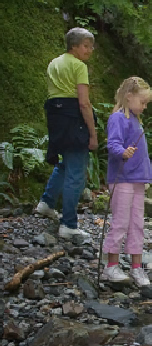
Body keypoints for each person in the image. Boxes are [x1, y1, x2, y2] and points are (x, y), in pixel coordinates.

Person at [35, 28, 98, 243]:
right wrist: (93, 133)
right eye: (85, 46)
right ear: (74, 46)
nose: (90, 50)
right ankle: (68, 224)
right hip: (73, 119)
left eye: (91, 46)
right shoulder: (79, 66)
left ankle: (47, 203)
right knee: (77, 172)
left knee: (64, 163)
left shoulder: (54, 63)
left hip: (56, 118)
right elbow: (84, 102)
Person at [102, 77, 152, 285]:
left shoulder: (135, 119)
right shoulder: (118, 118)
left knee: (137, 223)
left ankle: (136, 267)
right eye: (142, 102)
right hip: (122, 178)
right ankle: (111, 266)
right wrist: (122, 152)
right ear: (129, 97)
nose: (144, 106)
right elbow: (112, 144)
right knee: (121, 222)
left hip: (137, 178)